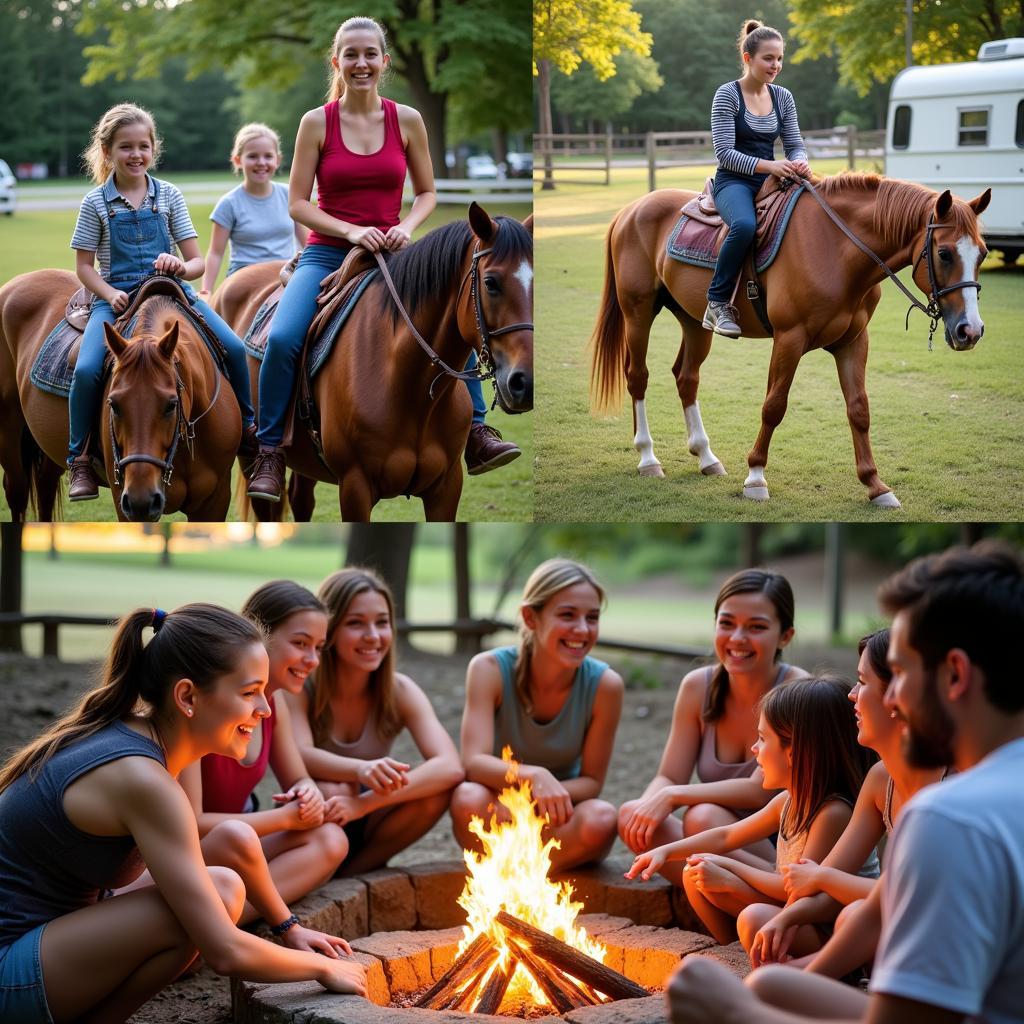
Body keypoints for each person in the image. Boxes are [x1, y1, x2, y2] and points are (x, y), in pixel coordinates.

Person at [666, 541, 1024, 1024]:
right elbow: (880, 902)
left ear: (955, 675)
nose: (885, 698)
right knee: (773, 981)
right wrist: (794, 970)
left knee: (745, 994)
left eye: (895, 675)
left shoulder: (948, 817)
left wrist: (728, 1010)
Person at [0, 603, 365, 1024]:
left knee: (224, 884)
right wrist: (325, 968)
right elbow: (225, 951)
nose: (264, 710)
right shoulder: (144, 780)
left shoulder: (137, 738)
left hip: (46, 939)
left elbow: (230, 843)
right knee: (209, 905)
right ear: (188, 696)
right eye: (249, 693)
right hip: (11, 971)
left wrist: (290, 928)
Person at [246, 16, 518, 502]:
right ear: (337, 62)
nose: (361, 63)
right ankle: (269, 450)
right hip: (328, 253)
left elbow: (428, 193)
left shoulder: (407, 119)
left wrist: (405, 228)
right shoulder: (316, 122)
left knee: (459, 319)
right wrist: (351, 230)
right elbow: (297, 203)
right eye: (350, 55)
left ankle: (477, 431)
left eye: (370, 54)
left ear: (384, 62)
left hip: (395, 254)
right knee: (285, 336)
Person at [67, 103, 257, 501]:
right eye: (125, 147)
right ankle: (80, 458)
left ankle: (250, 434)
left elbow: (197, 261)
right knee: (86, 370)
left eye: (143, 146)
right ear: (107, 152)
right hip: (116, 297)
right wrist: (107, 293)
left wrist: (178, 265)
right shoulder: (95, 204)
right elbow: (84, 266)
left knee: (235, 347)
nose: (135, 155)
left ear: (154, 149)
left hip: (171, 292)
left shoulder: (168, 195)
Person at [741, 629, 948, 972]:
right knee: (764, 920)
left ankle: (800, 981)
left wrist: (822, 879)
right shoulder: (881, 779)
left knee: (851, 917)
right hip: (881, 922)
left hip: (936, 939)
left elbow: (909, 895)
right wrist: (787, 917)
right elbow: (820, 882)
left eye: (863, 682)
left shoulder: (949, 789)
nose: (852, 695)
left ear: (898, 696)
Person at [627, 677, 875, 946]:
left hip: (824, 930)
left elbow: (795, 890)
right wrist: (666, 851)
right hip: (789, 909)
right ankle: (730, 952)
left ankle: (746, 956)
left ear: (794, 752)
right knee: (695, 870)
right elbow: (726, 836)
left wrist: (732, 875)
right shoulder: (788, 801)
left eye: (762, 738)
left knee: (753, 916)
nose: (754, 749)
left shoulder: (832, 813)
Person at [178, 581, 348, 918]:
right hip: (184, 850)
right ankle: (213, 919)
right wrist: (285, 817)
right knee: (244, 840)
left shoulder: (274, 704)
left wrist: (308, 794)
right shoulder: (207, 708)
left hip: (233, 843)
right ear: (260, 637)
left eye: (319, 647)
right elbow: (192, 825)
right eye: (300, 643)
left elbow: (299, 777)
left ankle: (234, 916)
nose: (312, 659)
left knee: (331, 840)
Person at [619, 569, 807, 873]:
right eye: (727, 623)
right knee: (631, 815)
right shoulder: (697, 686)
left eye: (756, 627)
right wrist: (648, 808)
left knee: (701, 817)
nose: (737, 638)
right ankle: (715, 899)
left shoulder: (797, 691)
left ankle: (773, 889)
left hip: (781, 840)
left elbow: (759, 792)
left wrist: (673, 795)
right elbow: (669, 775)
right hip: (717, 834)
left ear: (785, 635)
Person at [283, 567, 464, 875]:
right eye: (355, 623)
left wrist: (366, 804)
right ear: (330, 631)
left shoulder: (400, 689)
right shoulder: (302, 685)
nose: (373, 636)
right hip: (313, 812)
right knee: (333, 787)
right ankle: (319, 867)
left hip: (369, 813)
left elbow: (449, 765)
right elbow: (299, 754)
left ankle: (355, 874)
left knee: (435, 792)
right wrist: (360, 770)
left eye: (382, 622)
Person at [451, 558, 624, 873]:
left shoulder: (605, 686)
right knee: (467, 797)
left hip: (558, 814)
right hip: (499, 808)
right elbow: (473, 762)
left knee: (602, 818)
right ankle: (514, 875)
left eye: (592, 617)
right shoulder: (488, 669)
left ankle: (520, 877)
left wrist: (543, 795)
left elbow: (592, 782)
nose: (582, 630)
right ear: (531, 617)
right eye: (567, 615)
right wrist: (533, 777)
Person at [703, 19, 811, 339]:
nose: (775, 65)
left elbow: (794, 144)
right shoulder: (727, 95)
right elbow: (724, 153)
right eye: (768, 58)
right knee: (745, 226)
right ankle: (718, 301)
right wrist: (772, 167)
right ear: (748, 59)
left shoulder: (783, 97)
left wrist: (800, 163)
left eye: (779, 58)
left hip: (774, 178)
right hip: (734, 182)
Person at [198, 123, 309, 296]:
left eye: (268, 156)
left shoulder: (289, 195)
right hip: (245, 279)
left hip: (285, 274)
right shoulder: (229, 204)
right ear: (237, 160)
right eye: (252, 156)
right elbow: (215, 253)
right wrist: (206, 291)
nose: (261, 163)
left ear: (277, 160)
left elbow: (307, 242)